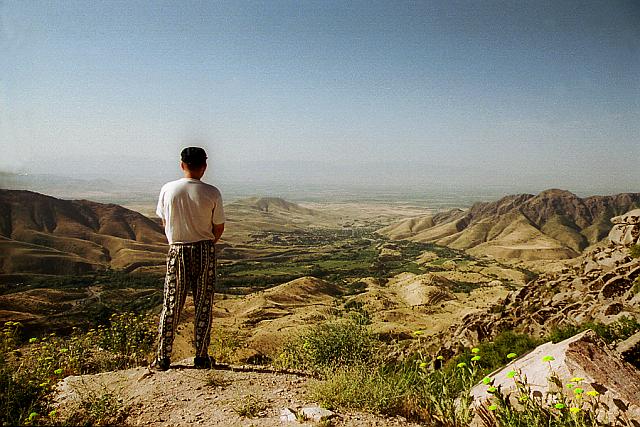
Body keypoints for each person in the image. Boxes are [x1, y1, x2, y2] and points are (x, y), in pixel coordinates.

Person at [152, 147, 225, 371]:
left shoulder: (168, 189)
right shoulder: (212, 192)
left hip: (177, 250)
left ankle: (162, 358)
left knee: (171, 303)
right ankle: (201, 357)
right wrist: (206, 243)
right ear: (204, 166)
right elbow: (218, 227)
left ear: (182, 164)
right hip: (204, 250)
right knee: (203, 304)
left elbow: (165, 221)